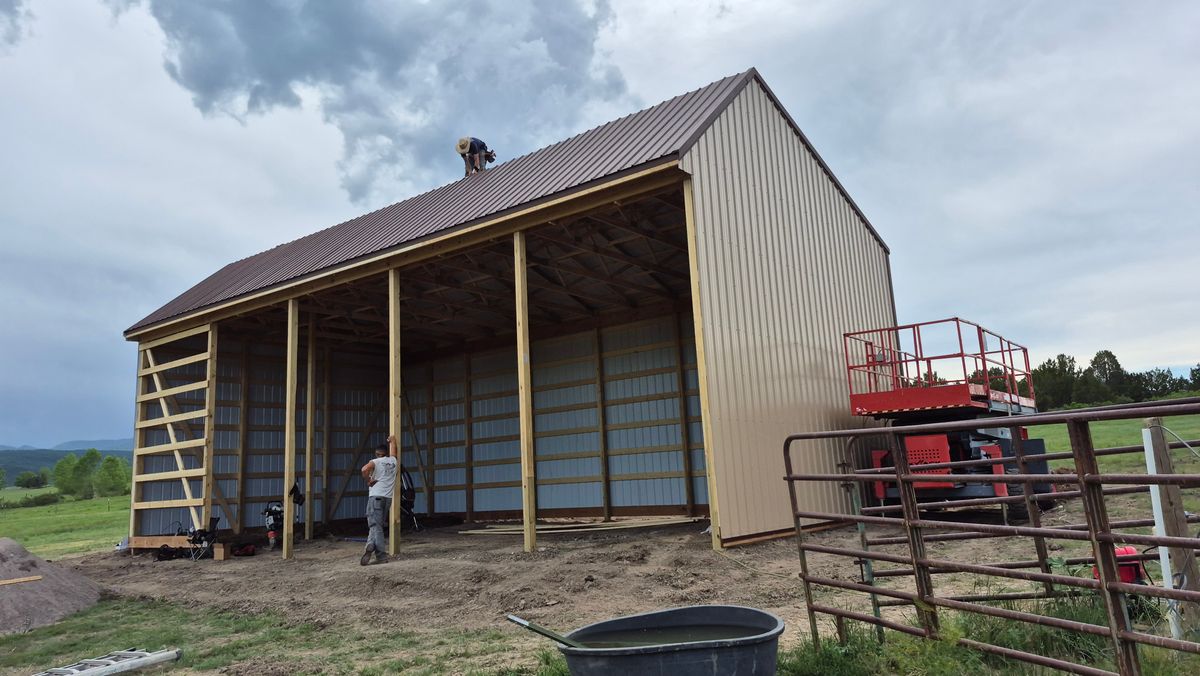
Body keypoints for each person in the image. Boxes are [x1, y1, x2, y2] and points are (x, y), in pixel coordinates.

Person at [360, 434, 398, 565]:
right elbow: (394, 452)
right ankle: (370, 545)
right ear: (386, 453)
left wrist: (368, 480)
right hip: (387, 499)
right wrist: (393, 442)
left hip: (375, 497)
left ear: (377, 454)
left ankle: (381, 556)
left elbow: (364, 469)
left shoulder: (375, 462)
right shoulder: (393, 461)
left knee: (375, 526)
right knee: (377, 526)